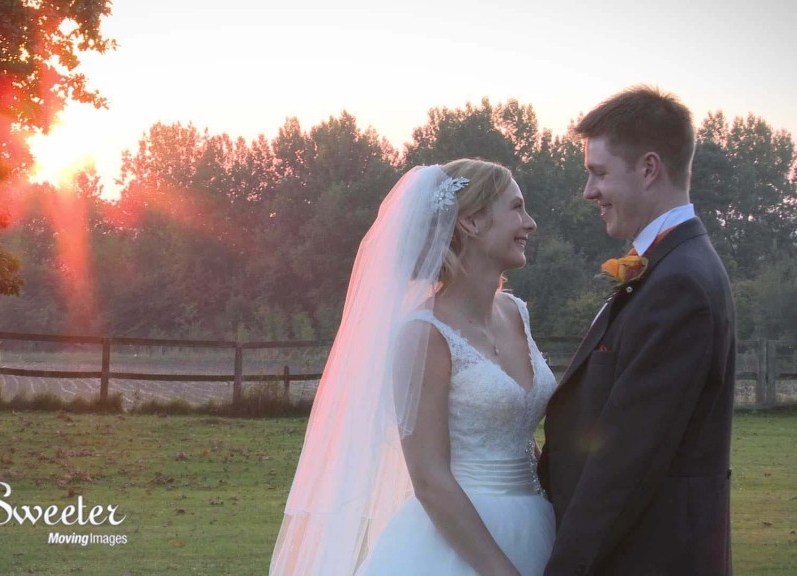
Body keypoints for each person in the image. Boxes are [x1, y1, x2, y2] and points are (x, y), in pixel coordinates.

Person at [270, 158, 554, 575]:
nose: (530, 223)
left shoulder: (517, 313)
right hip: (466, 542)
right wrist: (501, 571)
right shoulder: (424, 333)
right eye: (516, 208)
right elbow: (429, 478)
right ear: (472, 221)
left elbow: (515, 427)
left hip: (538, 524)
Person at [538, 86, 736, 575]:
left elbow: (628, 460)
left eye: (599, 172)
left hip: (647, 556)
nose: (589, 191)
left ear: (648, 169)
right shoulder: (671, 266)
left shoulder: (680, 283)